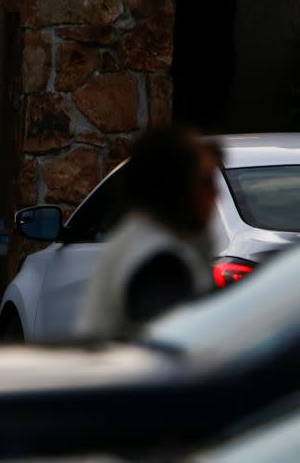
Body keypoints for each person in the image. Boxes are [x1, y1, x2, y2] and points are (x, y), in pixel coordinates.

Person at [77, 126, 222, 339]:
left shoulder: (136, 237)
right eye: (206, 182)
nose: (216, 193)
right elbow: (178, 347)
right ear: (175, 187)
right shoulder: (160, 263)